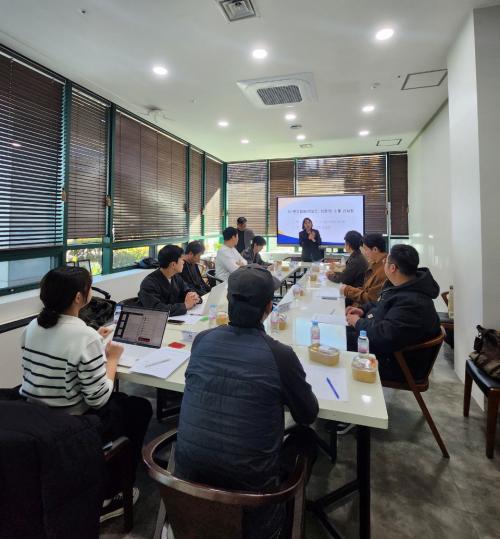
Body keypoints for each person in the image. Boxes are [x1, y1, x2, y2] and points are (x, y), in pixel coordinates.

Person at [174, 265, 319, 539]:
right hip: (253, 512)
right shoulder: (280, 355)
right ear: (269, 307)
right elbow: (307, 414)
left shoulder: (202, 341)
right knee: (306, 439)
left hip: (186, 497)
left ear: (228, 301)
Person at [20, 266, 152, 522]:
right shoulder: (83, 335)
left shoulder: (33, 326)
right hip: (71, 422)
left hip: (35, 414)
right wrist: (112, 359)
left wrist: (97, 340)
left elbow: (59, 360)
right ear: (79, 297)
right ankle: (110, 493)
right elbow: (98, 398)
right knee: (138, 408)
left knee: (126, 403)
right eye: (89, 287)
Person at [345, 244, 442, 383]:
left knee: (339, 341)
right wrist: (363, 310)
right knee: (340, 332)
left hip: (397, 363)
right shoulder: (403, 286)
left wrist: (357, 322)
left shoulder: (413, 302)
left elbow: (385, 336)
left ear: (392, 268)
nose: (383, 263)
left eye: (386, 261)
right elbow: (381, 304)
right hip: (386, 346)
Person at [138, 245, 200, 316]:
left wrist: (194, 296)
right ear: (173, 264)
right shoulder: (149, 283)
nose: (183, 262)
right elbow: (157, 309)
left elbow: (187, 290)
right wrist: (185, 305)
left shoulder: (176, 277)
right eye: (182, 259)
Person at [340, 233, 387, 305]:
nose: (364, 253)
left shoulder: (385, 270)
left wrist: (347, 290)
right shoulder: (375, 264)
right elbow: (366, 289)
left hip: (364, 308)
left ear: (375, 249)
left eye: (365, 249)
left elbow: (371, 299)